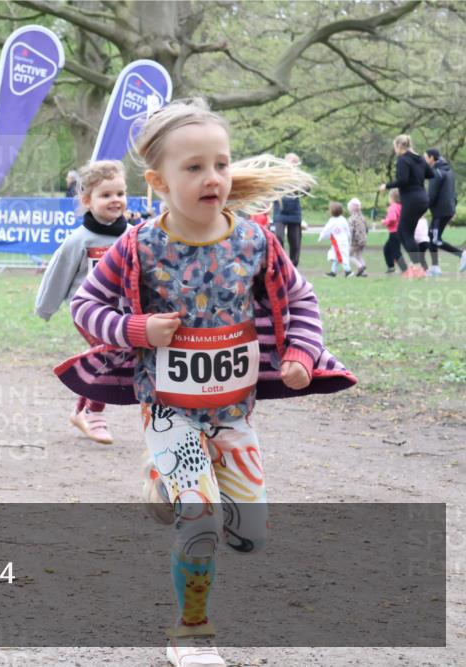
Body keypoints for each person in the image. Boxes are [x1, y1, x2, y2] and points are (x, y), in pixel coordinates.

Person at [54, 99, 355, 667]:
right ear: (157, 181)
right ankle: (191, 632)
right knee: (201, 520)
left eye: (220, 163)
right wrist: (136, 329)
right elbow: (86, 304)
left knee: (250, 535)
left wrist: (301, 352)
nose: (212, 177)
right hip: (168, 408)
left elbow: (300, 299)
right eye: (193, 168)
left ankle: (161, 480)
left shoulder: (255, 242)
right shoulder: (139, 245)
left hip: (233, 413)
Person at [35, 160, 129, 446]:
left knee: (116, 355)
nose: (115, 200)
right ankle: (93, 413)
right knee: (113, 352)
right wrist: (46, 307)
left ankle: (80, 411)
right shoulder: (79, 240)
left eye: (120, 193)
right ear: (88, 200)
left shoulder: (133, 236)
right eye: (106, 195)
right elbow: (58, 274)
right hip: (87, 311)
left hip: (119, 313)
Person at [379, 134, 433, 276]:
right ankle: (418, 265)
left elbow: (402, 180)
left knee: (405, 232)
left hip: (412, 199)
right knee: (403, 233)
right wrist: (418, 173)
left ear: (399, 146)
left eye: (395, 147)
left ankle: (417, 267)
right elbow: (430, 173)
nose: (395, 150)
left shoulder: (403, 160)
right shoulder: (419, 158)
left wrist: (387, 185)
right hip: (422, 198)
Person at [423, 148, 465, 274]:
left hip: (440, 212)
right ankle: (435, 268)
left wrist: (422, 209)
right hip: (445, 210)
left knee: (435, 239)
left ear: (431, 158)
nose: (424, 160)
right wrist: (453, 208)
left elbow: (432, 195)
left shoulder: (436, 172)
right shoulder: (447, 171)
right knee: (432, 237)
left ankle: (462, 254)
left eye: (425, 157)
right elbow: (454, 194)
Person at [271, 152, 304, 267]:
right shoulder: (278, 174)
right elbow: (271, 188)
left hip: (294, 212)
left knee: (295, 241)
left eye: (294, 162)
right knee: (278, 237)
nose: (292, 163)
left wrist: (298, 179)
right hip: (280, 211)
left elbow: (306, 190)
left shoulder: (299, 176)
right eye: (290, 161)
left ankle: (293, 266)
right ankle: (282, 262)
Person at [319, 201, 351, 277]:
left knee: (341, 256)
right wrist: (348, 237)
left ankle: (348, 271)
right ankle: (333, 272)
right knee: (336, 257)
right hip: (343, 241)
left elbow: (326, 230)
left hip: (337, 243)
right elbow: (347, 230)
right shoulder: (343, 219)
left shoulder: (332, 221)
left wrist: (321, 237)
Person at [380, 189, 407, 274]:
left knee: (395, 251)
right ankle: (391, 267)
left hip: (394, 232)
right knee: (387, 249)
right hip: (400, 231)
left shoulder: (393, 207)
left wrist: (384, 222)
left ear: (392, 198)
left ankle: (404, 269)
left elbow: (392, 218)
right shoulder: (401, 206)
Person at [346, 198, 368, 277]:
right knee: (359, 255)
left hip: (355, 241)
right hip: (363, 239)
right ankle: (363, 272)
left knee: (348, 255)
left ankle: (360, 266)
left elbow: (350, 231)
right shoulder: (362, 217)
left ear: (351, 208)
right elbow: (366, 228)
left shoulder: (351, 219)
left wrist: (349, 241)